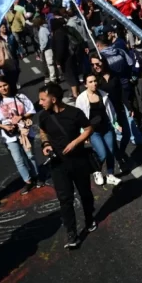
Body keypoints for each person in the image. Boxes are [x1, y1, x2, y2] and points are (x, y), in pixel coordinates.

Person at [38, 83, 97, 249]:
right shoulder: (43, 116)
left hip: (78, 161)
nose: (40, 102)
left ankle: (90, 219)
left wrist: (75, 142)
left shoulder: (74, 113)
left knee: (85, 193)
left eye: (43, 99)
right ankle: (72, 233)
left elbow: (88, 128)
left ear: (54, 99)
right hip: (58, 165)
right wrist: (46, 144)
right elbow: (42, 131)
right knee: (65, 200)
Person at [0, 78, 41, 194]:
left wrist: (21, 118)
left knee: (30, 155)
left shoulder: (20, 97)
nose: (3, 88)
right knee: (18, 159)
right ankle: (27, 181)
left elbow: (31, 111)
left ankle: (36, 176)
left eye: (5, 85)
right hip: (9, 135)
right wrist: (5, 127)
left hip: (24, 132)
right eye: (0, 86)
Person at [75, 74, 122, 187]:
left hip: (106, 128)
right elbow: (78, 117)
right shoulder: (81, 99)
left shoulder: (103, 94)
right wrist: (83, 134)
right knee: (102, 153)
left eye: (95, 81)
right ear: (85, 84)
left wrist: (116, 124)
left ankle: (110, 175)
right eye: (90, 82)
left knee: (111, 151)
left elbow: (111, 111)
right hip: (93, 131)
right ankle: (97, 170)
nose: (94, 84)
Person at [33, 16, 59, 83]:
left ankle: (53, 78)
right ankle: (56, 76)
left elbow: (45, 41)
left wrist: (42, 48)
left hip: (47, 49)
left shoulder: (42, 30)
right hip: (49, 48)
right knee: (52, 63)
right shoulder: (44, 28)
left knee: (50, 64)